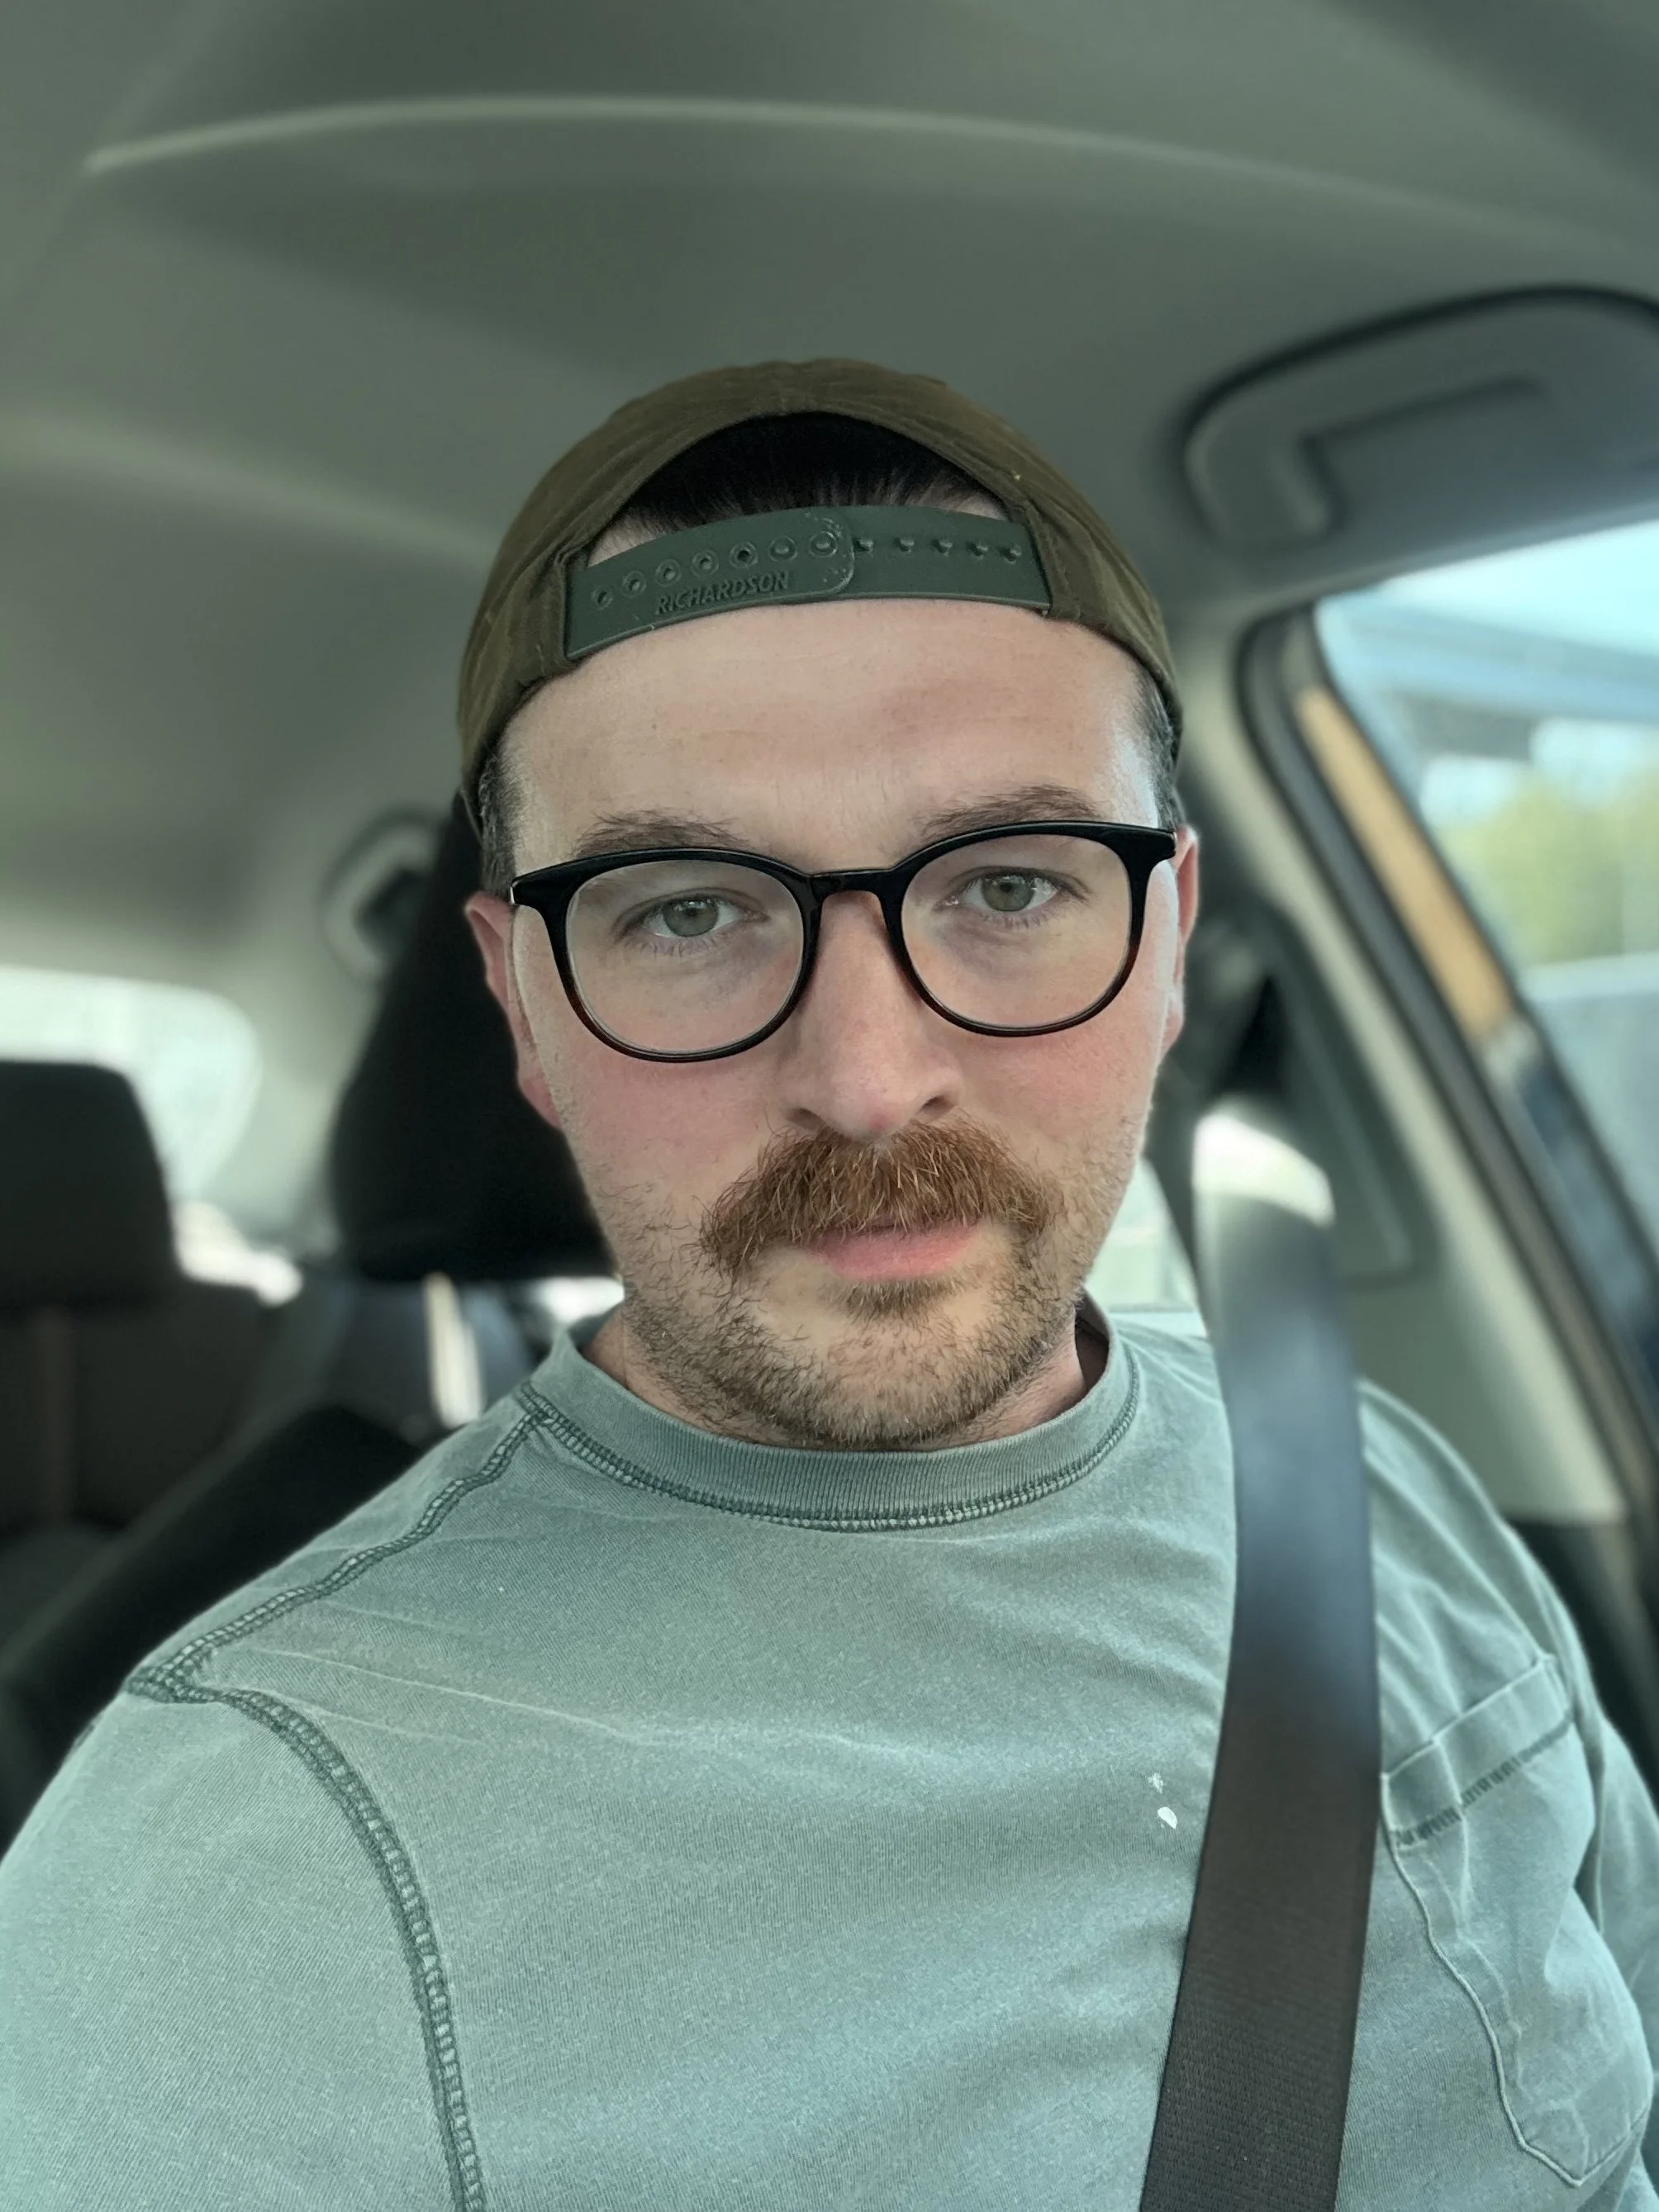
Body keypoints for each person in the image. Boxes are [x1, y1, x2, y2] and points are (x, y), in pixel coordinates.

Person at [1, 358, 1655, 2210]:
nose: (866, 1080)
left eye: (1011, 887)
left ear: (1168, 935)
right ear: (523, 1005)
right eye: (687, 911)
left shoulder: (1376, 1489)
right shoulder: (244, 1857)